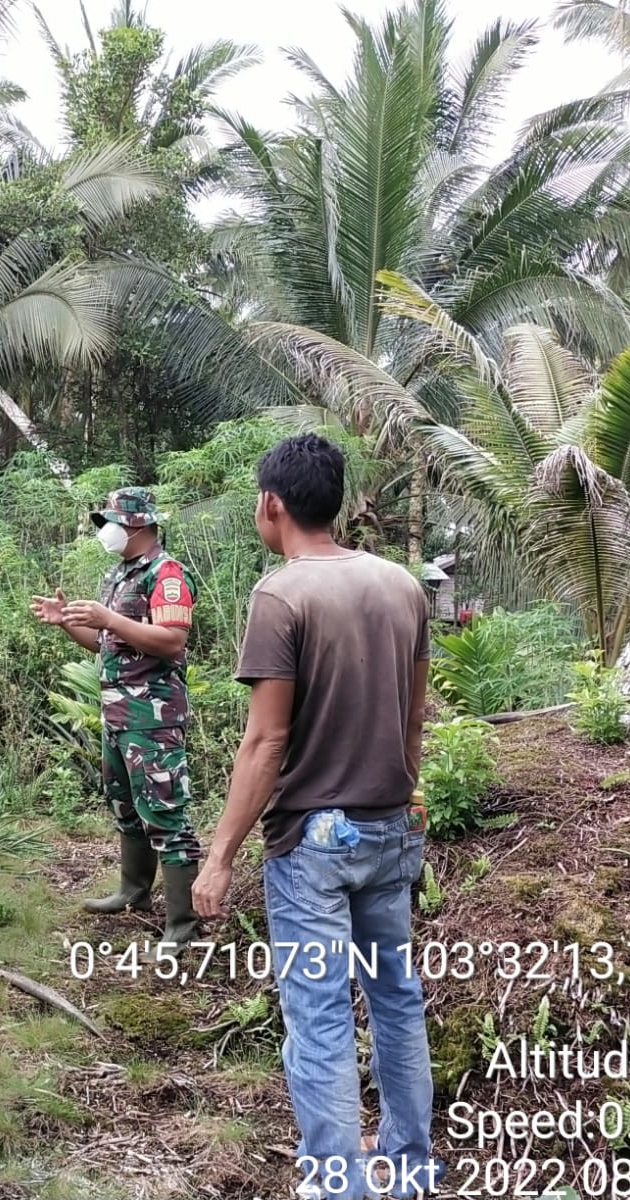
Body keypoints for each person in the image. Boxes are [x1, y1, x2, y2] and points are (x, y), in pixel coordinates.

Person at [192, 434, 441, 1200]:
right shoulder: (403, 586)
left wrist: (220, 854)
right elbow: (414, 713)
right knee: (396, 999)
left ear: (272, 504)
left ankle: (340, 1183)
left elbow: (266, 740)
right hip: (391, 824)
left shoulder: (283, 596)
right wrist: (406, 791)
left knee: (320, 1010)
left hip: (314, 843)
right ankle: (406, 1172)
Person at [31, 487, 202, 954]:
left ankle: (183, 923)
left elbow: (171, 640)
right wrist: (67, 620)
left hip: (153, 716)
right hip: (119, 714)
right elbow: (108, 644)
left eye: (112, 521)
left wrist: (109, 618)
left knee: (165, 814)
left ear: (140, 525)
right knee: (126, 805)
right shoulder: (121, 574)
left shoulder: (166, 574)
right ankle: (133, 890)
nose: (105, 530)